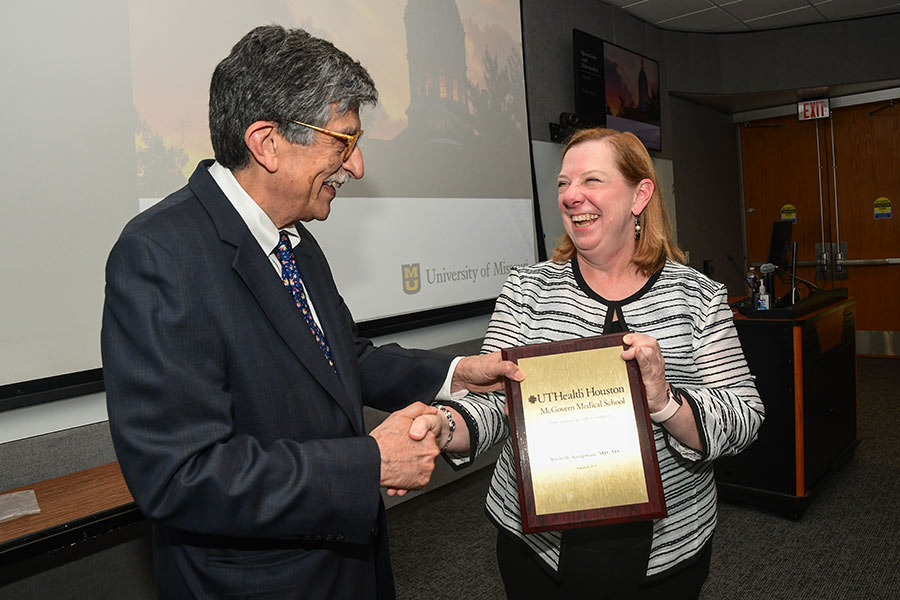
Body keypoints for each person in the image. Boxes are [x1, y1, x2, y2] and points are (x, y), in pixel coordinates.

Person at [101, 25, 520, 600]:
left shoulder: (294, 238)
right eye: (343, 142)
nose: (358, 165)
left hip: (349, 565)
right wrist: (370, 463)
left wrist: (454, 373)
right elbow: (180, 475)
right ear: (267, 142)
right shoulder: (159, 254)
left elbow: (341, 359)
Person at [422, 128, 764, 598]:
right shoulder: (527, 290)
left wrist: (665, 404)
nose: (571, 196)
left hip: (666, 549)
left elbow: (744, 416)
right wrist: (444, 425)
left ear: (640, 195)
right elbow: (493, 402)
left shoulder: (697, 297)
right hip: (538, 546)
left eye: (592, 180)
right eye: (563, 183)